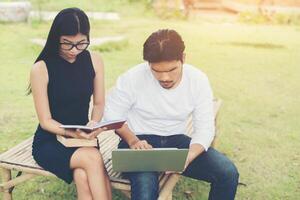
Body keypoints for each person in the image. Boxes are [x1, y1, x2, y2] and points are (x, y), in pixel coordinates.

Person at [104, 29, 239, 200]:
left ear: (183, 58)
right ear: (148, 64)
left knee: (227, 173)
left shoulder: (197, 80)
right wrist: (133, 140)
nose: (165, 77)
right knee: (145, 191)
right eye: (157, 71)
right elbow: (112, 116)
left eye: (172, 69)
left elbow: (204, 128)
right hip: (138, 143)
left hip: (176, 142)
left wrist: (188, 157)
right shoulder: (132, 77)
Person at [29, 8, 111, 200]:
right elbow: (46, 121)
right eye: (68, 44)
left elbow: (99, 103)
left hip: (83, 137)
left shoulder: (95, 60)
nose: (74, 50)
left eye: (81, 43)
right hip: (51, 141)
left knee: (83, 176)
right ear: (56, 38)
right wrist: (70, 132)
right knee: (92, 159)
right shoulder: (41, 68)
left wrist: (94, 123)